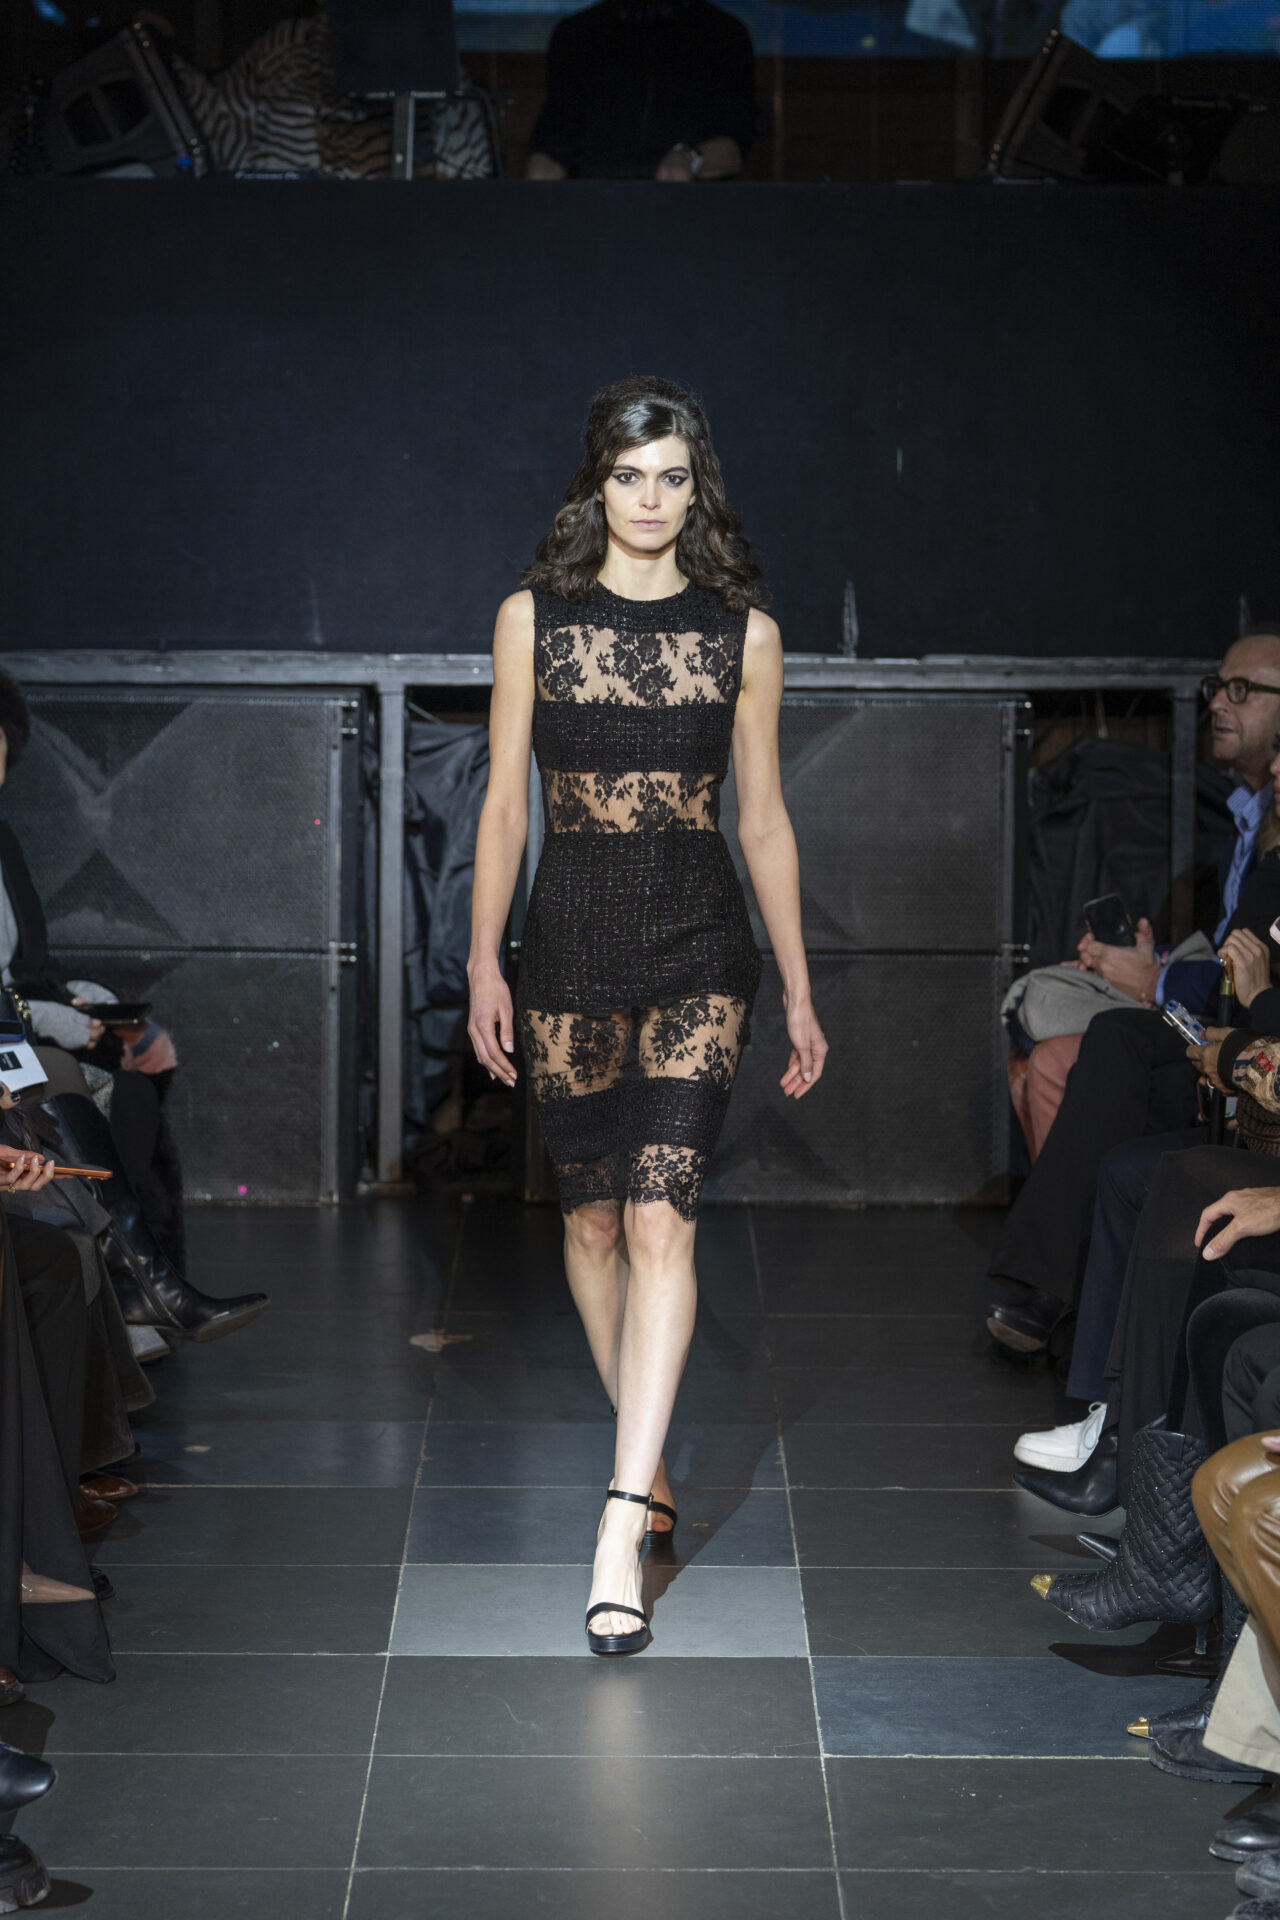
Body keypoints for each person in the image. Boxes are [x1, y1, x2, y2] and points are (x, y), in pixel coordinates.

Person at [467, 375, 826, 1653]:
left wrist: (796, 983)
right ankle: (649, 1450)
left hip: (697, 944)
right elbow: (503, 805)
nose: (651, 500)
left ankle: (619, 1518)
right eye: (629, 476)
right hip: (567, 939)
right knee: (593, 1219)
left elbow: (762, 819)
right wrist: (482, 962)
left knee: (664, 1214)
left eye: (673, 478)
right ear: (595, 484)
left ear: (696, 489)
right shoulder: (531, 618)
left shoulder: (743, 634)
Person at [987, 627, 1280, 1354]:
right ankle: (1060, 1288)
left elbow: (1249, 978)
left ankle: (1055, 1289)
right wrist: (1153, 964)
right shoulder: (1245, 823)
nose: (1219, 704)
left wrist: (1154, 980)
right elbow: (1233, 955)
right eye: (1217, 688)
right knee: (1047, 1010)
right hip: (1212, 1017)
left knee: (1100, 1040)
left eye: (1242, 690)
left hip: (1235, 1037)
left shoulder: (1271, 836)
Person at [525, 0, 756, 182]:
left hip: (686, 209)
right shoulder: (577, 34)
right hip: (594, 208)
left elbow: (732, 148)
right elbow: (552, 148)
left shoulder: (722, 34)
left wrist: (689, 159)